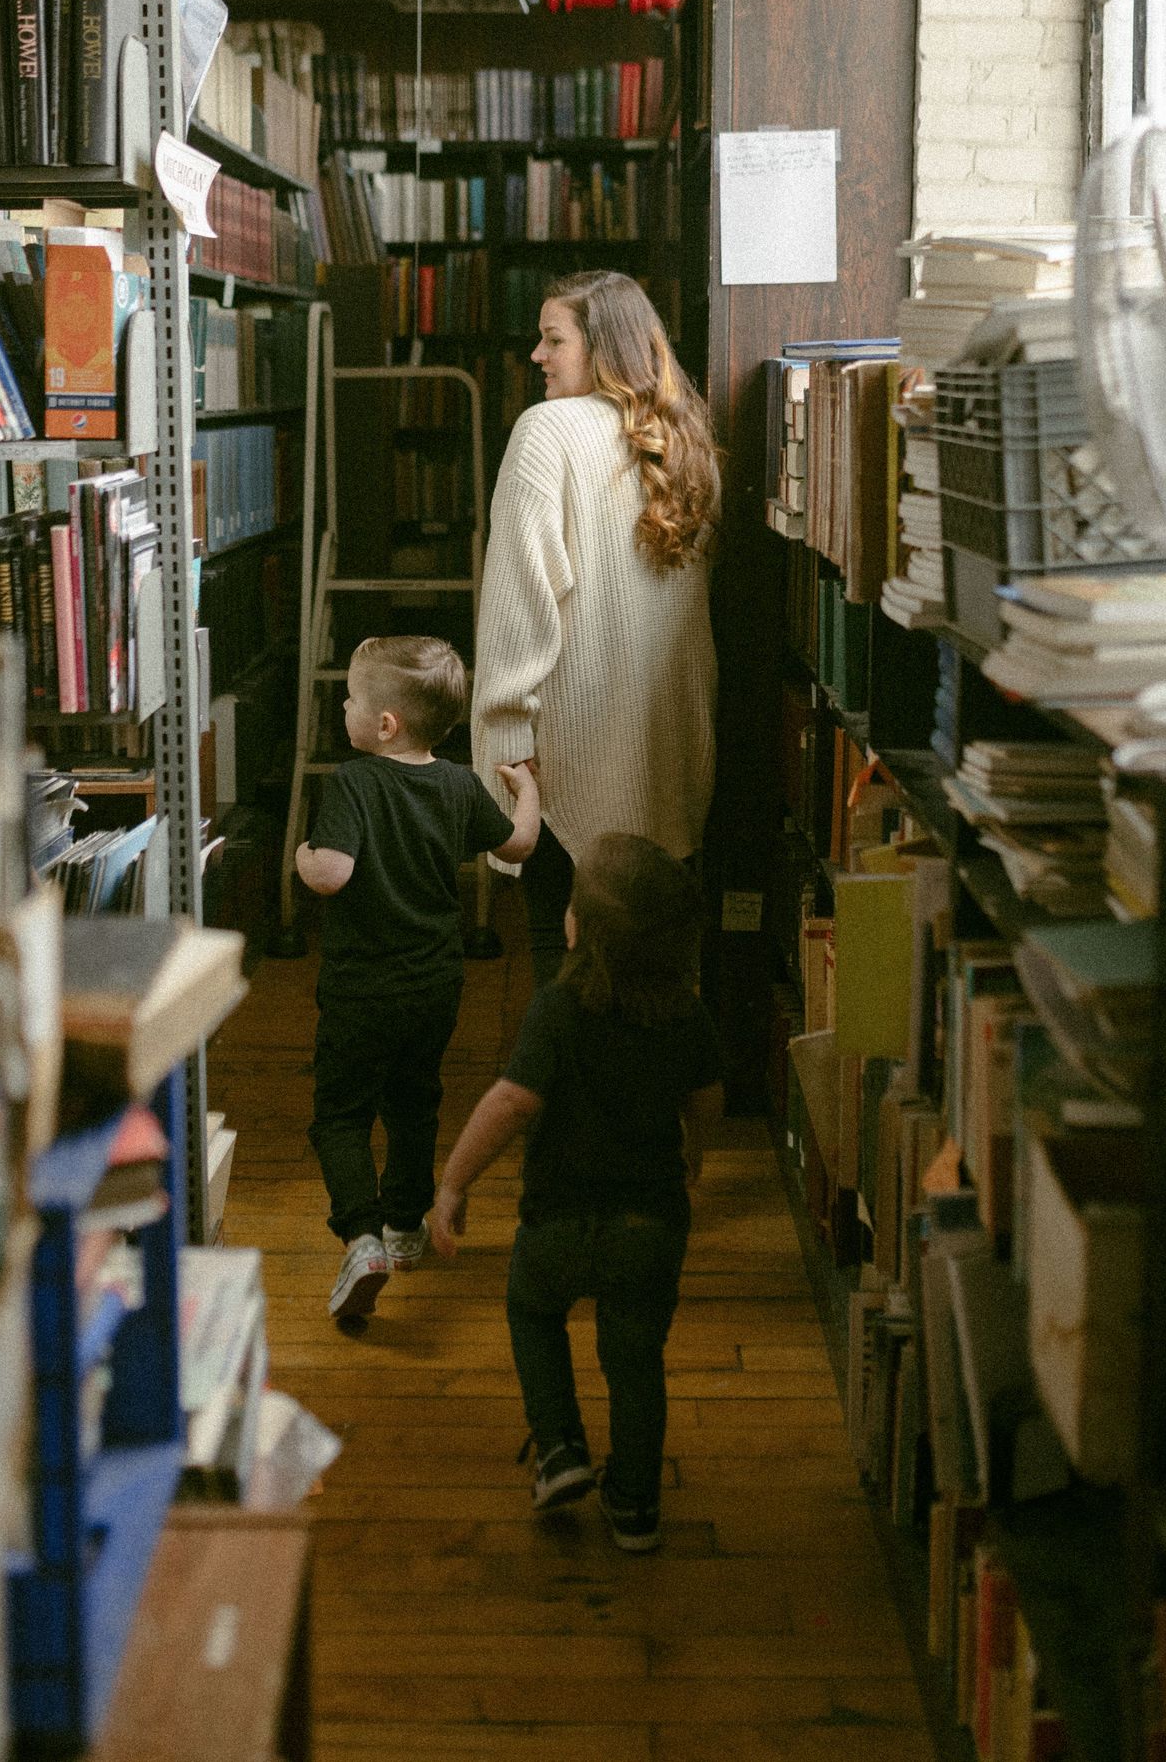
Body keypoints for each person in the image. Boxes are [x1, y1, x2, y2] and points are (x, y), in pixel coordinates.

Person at [429, 834, 722, 1553]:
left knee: (533, 1313)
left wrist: (453, 1184)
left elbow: (509, 1103)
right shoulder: (687, 1013)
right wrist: (695, 1151)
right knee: (635, 1361)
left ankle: (560, 1449)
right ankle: (635, 1505)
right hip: (649, 1223)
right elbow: (708, 1096)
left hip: (557, 1219)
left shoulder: (557, 1011)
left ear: (580, 931)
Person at [470, 270, 719, 987]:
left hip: (568, 761)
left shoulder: (547, 431)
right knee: (654, 976)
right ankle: (650, 1103)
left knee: (565, 965)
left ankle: (563, 1101)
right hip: (670, 758)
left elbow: (520, 603)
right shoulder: (686, 438)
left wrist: (510, 741)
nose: (536, 356)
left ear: (604, 348)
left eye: (554, 340)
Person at [296, 634, 540, 1324]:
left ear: (384, 725)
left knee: (341, 1116)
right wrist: (528, 791)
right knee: (413, 1102)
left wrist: (303, 855)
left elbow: (333, 873)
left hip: (359, 990)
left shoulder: (352, 782)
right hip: (435, 985)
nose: (343, 706)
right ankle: (406, 1226)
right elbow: (519, 845)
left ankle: (361, 1235)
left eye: (351, 699)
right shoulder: (459, 785)